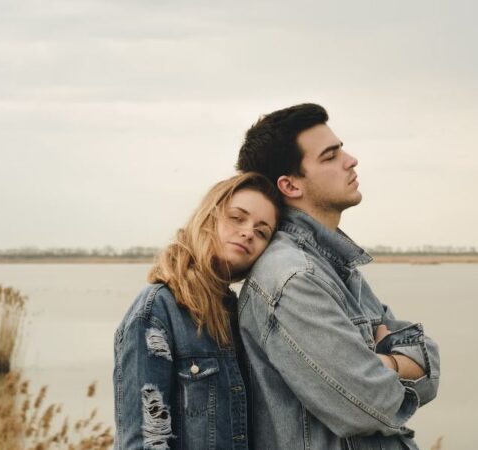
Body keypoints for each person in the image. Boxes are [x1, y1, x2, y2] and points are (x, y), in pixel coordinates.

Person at [235, 103, 440, 450]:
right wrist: (395, 362)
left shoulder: (334, 267)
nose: (351, 159)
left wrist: (380, 364)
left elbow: (429, 367)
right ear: (290, 185)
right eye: (330, 156)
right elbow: (369, 405)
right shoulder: (293, 279)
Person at [113, 172, 280, 450]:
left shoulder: (240, 315)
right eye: (237, 218)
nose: (248, 232)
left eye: (261, 232)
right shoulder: (157, 311)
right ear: (208, 218)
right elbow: (144, 442)